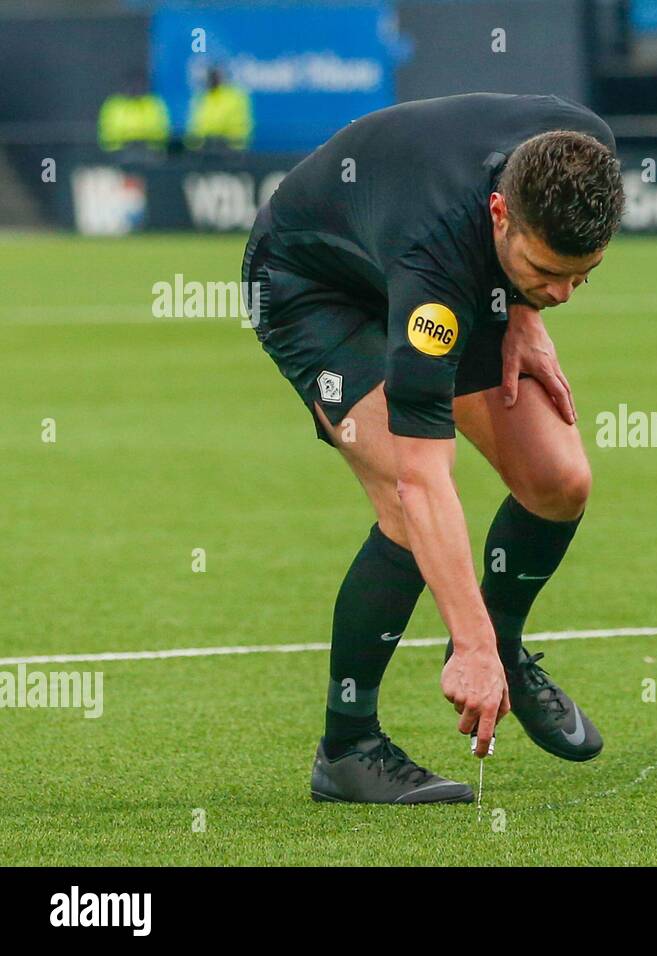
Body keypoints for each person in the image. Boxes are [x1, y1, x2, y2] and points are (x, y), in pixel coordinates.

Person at [241, 93, 623, 804]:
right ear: (501, 216)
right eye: (547, 273)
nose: (566, 293)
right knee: (399, 497)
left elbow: (528, 271)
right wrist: (464, 642)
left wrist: (526, 308)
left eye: (582, 277)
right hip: (311, 285)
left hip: (453, 269)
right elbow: (424, 481)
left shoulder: (584, 146)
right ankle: (347, 747)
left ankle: (504, 643)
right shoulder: (433, 263)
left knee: (558, 479)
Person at [98, 73, 170, 153]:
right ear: (126, 86)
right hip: (119, 154)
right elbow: (108, 135)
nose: (136, 88)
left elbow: (161, 133)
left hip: (149, 154)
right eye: (133, 85)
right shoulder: (114, 104)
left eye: (140, 85)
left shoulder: (154, 104)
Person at [186, 66, 253, 151]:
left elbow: (233, 124)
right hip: (205, 147)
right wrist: (194, 144)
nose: (211, 79)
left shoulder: (234, 96)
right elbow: (196, 126)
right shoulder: (203, 97)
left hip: (231, 146)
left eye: (215, 76)